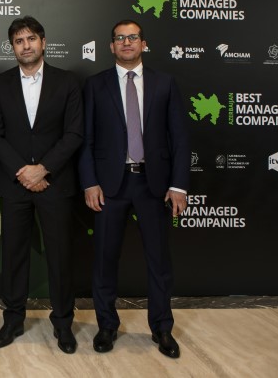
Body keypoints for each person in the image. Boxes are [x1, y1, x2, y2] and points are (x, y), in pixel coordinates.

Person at [78, 19, 189, 359]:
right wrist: (90, 182)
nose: (126, 42)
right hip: (109, 187)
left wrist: (178, 185)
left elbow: (179, 137)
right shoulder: (95, 85)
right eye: (120, 38)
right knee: (104, 260)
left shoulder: (165, 83)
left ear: (143, 43)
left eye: (133, 37)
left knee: (159, 261)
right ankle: (107, 326)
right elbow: (85, 140)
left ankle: (162, 328)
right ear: (111, 46)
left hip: (153, 185)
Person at [0, 16, 83, 354]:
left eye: (30, 39)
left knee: (60, 257)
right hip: (14, 186)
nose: (25, 45)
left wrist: (42, 170)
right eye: (18, 41)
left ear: (43, 42)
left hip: (56, 184)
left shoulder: (67, 82)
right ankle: (13, 320)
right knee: (13, 256)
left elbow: (74, 134)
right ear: (12, 47)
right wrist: (23, 172)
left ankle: (63, 324)